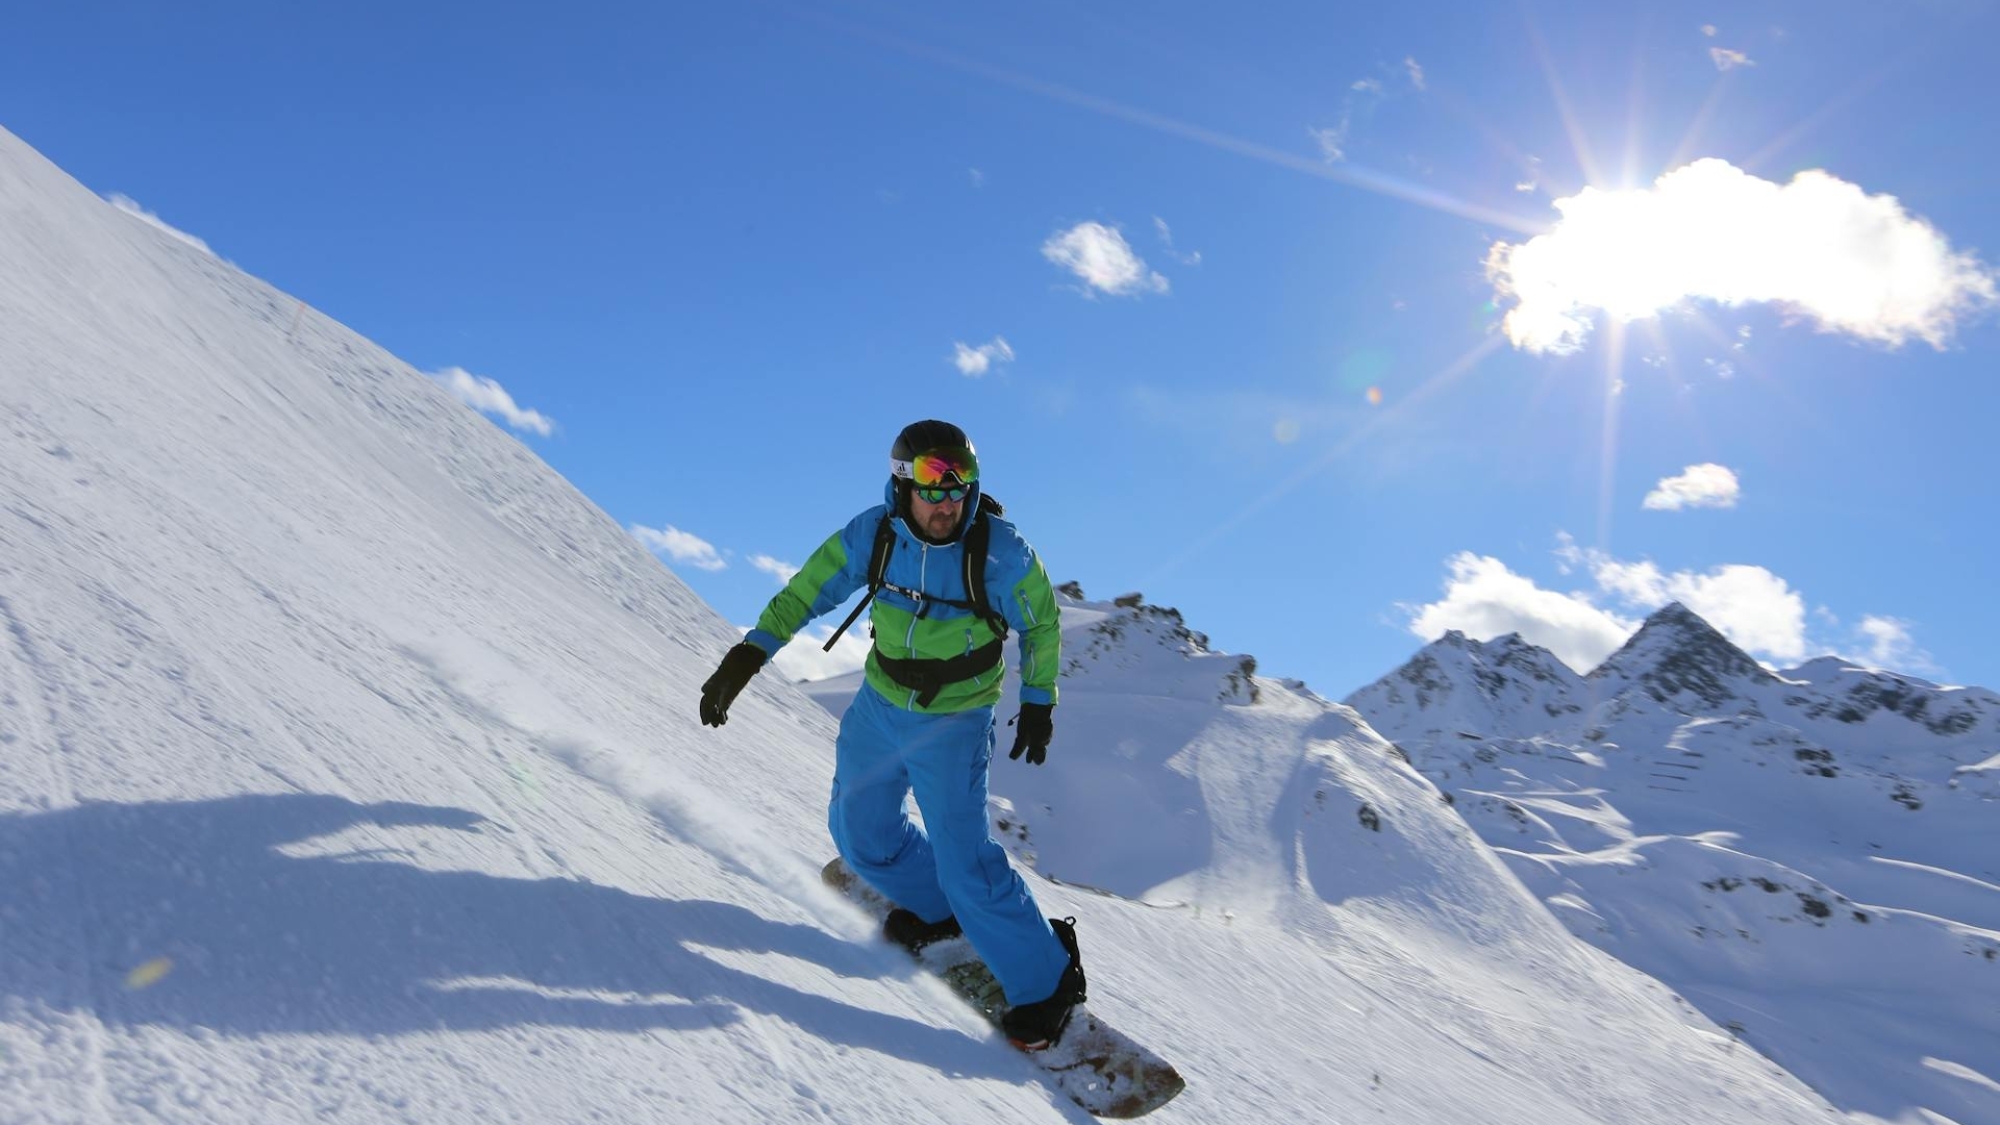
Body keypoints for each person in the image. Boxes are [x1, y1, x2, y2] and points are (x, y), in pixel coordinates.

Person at [697, 419, 1086, 1049]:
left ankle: (1048, 981)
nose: (949, 498)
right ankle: (938, 913)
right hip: (880, 705)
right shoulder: (874, 536)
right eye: (934, 481)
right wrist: (749, 653)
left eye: (961, 481)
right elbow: (808, 590)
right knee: (859, 834)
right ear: (903, 480)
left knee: (967, 859)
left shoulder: (1002, 553)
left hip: (956, 720)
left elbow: (1041, 625)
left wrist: (1039, 701)